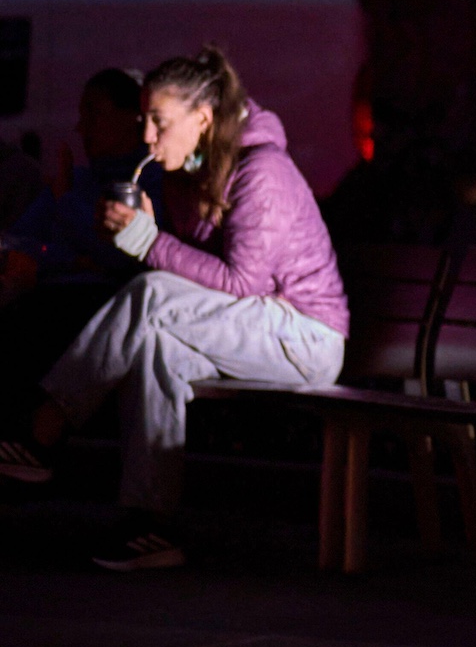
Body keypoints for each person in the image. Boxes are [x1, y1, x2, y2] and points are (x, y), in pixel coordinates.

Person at [0, 47, 348, 571]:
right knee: (155, 349)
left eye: (159, 123)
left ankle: (44, 427)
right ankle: (151, 526)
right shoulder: (187, 173)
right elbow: (198, 270)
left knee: (153, 292)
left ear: (203, 120)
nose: (147, 138)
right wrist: (141, 226)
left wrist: (150, 243)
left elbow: (241, 283)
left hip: (305, 336)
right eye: (144, 122)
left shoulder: (263, 171)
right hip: (250, 326)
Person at [0, 69, 162, 432]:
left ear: (132, 116)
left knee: (31, 319)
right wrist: (60, 257)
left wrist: (57, 251)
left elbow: (120, 258)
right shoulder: (79, 178)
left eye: (93, 113)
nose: (80, 127)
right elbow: (23, 239)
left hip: (101, 305)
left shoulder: (147, 182)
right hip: (54, 289)